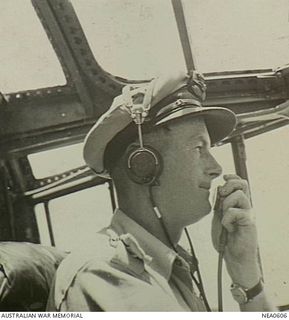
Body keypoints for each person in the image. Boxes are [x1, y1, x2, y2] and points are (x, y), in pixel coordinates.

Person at [47, 71, 275, 311]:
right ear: (143, 164)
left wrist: (247, 277)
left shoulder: (168, 269)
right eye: (199, 148)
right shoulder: (103, 272)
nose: (216, 169)